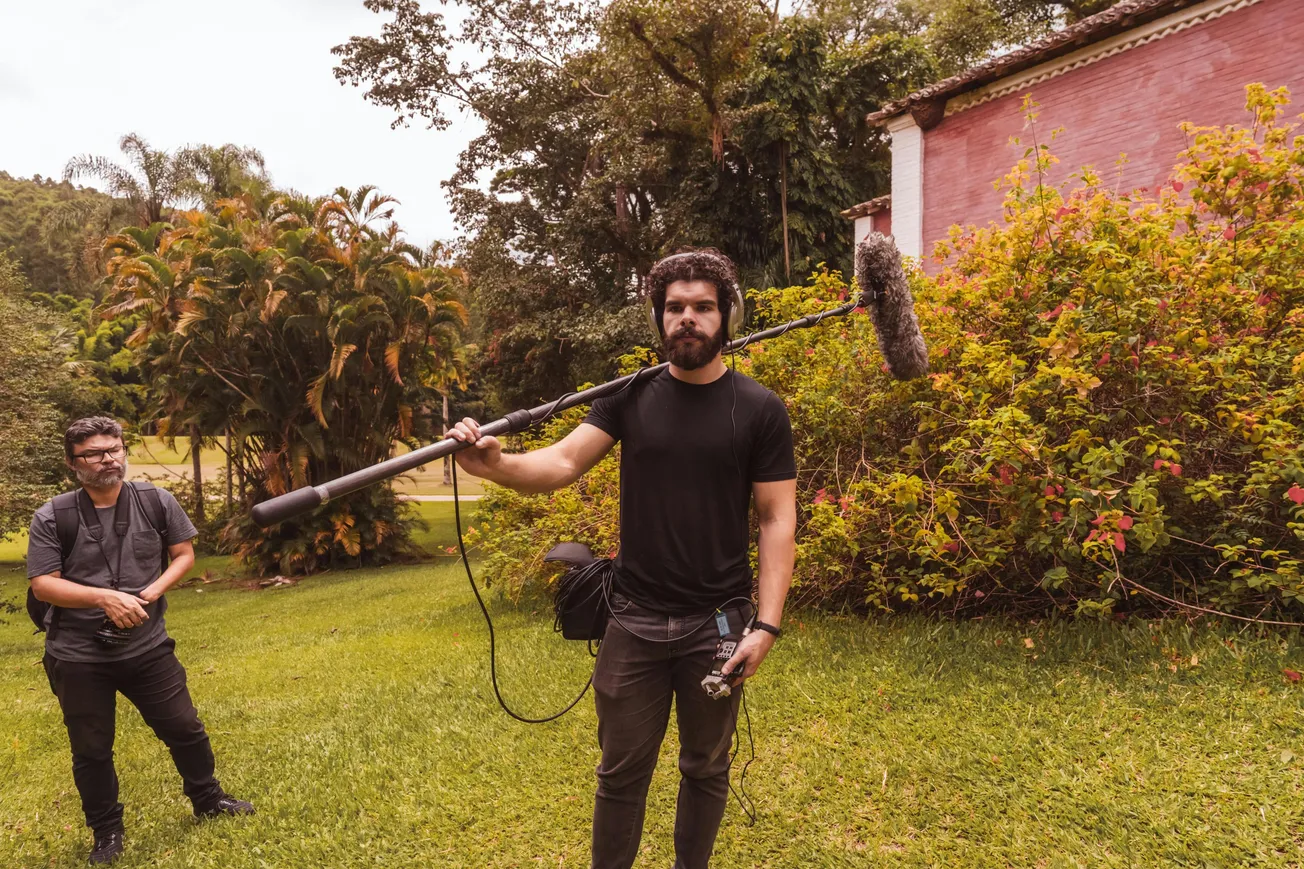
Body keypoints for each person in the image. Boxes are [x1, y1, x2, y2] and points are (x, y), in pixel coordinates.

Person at [448, 249, 797, 869]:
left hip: (718, 622)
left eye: (703, 307)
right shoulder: (629, 397)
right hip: (633, 621)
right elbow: (562, 462)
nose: (687, 318)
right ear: (658, 318)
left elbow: (775, 519)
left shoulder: (761, 409)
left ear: (727, 316)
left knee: (706, 765)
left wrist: (765, 625)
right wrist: (495, 465)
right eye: (675, 307)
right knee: (620, 773)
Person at [26, 417, 254, 865]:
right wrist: (104, 597)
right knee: (92, 749)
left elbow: (183, 555)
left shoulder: (155, 500)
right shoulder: (53, 516)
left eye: (114, 449)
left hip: (148, 646)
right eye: (94, 453)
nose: (108, 459)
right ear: (73, 462)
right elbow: (43, 585)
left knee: (184, 728)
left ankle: (208, 800)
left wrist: (151, 592)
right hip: (78, 655)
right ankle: (106, 833)